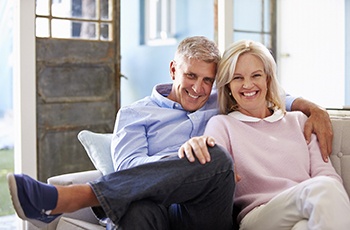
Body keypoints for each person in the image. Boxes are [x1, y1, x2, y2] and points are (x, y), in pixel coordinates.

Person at [7, 36, 333, 230]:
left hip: (205, 213)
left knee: (213, 157)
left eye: (208, 80)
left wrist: (313, 108)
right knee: (138, 209)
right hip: (155, 207)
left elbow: (266, 93)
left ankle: (81, 195)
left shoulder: (222, 101)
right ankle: (86, 196)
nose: (198, 88)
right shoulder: (135, 115)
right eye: (191, 76)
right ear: (174, 69)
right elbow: (131, 169)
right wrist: (183, 157)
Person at [180, 40, 350, 229]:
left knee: (303, 225)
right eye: (237, 78)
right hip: (258, 217)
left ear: (268, 79)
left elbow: (327, 175)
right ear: (228, 86)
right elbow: (213, 166)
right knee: (324, 188)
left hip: (307, 205)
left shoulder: (299, 121)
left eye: (256, 75)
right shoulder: (222, 125)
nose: (247, 84)